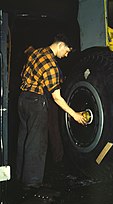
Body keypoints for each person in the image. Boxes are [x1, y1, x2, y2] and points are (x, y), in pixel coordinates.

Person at [16, 33, 86, 191]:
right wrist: (74, 115)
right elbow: (57, 98)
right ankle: (32, 183)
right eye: (67, 51)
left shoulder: (36, 53)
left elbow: (23, 75)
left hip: (22, 99)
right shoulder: (51, 65)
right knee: (37, 142)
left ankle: (20, 176)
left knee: (24, 139)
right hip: (36, 102)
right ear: (61, 45)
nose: (66, 55)